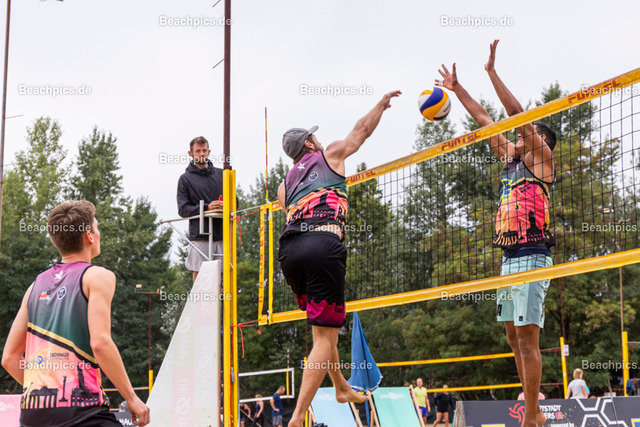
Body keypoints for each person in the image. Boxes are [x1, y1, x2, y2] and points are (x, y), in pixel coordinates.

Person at [437, 40, 556, 427]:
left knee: (528, 338)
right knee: (511, 338)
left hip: (534, 255)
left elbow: (516, 115)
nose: (516, 138)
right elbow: (485, 119)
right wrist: (458, 89)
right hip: (509, 258)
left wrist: (491, 72)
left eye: (524, 136)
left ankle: (532, 416)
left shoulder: (542, 161)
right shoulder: (509, 160)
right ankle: (534, 412)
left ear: (538, 140)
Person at [277, 90, 401, 427]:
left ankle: (341, 386)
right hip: (322, 244)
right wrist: (380, 106)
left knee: (323, 330)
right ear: (309, 144)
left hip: (289, 252)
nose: (318, 139)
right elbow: (361, 131)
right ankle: (297, 418)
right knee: (325, 337)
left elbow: (290, 210)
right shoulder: (329, 153)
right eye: (313, 136)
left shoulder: (285, 185)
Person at [1, 200, 150, 427]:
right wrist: (131, 397)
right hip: (83, 411)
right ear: (89, 236)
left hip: (33, 415)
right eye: (97, 227)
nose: (99, 233)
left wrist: (46, 395)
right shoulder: (97, 276)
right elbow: (100, 343)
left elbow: (10, 358)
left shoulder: (34, 286)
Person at [177, 136, 224, 282]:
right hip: (200, 236)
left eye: (204, 150)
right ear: (190, 154)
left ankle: (223, 298)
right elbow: (183, 210)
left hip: (223, 234)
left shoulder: (222, 174)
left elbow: (235, 201)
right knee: (201, 278)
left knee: (223, 277)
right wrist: (206, 207)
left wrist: (226, 204)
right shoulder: (185, 179)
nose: (201, 154)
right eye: (198, 151)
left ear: (209, 152)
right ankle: (199, 298)